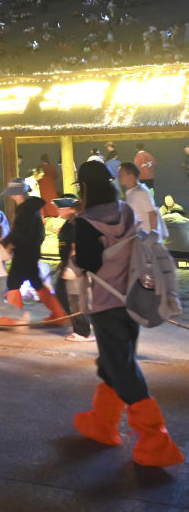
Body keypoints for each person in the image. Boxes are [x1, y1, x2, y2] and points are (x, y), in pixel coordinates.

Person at [71, 160, 183, 467]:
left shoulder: (85, 222)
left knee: (122, 368)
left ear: (85, 188)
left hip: (106, 303)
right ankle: (103, 422)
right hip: (133, 297)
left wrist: (75, 261)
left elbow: (89, 263)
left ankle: (156, 440)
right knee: (112, 363)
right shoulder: (126, 211)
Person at [2, 178, 68, 322]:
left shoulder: (25, 210)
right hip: (32, 252)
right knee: (36, 282)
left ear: (18, 193)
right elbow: (38, 233)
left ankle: (14, 317)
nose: (12, 197)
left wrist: (9, 243)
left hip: (23, 252)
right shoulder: (32, 208)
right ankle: (58, 314)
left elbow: (19, 231)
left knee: (13, 282)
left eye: (13, 193)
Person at [52, 194, 94, 342]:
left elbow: (77, 248)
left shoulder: (76, 224)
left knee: (75, 298)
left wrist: (71, 267)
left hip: (75, 267)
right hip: (68, 265)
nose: (57, 210)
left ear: (69, 208)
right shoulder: (69, 223)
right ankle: (83, 322)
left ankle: (83, 332)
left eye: (60, 208)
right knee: (64, 294)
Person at [117, 162, 167, 239]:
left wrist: (153, 236)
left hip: (146, 237)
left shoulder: (141, 192)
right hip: (139, 236)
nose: (118, 177)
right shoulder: (131, 192)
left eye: (121, 174)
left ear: (131, 177)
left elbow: (152, 214)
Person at [37, 154, 60, 218]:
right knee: (51, 198)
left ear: (41, 160)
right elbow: (56, 176)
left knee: (43, 198)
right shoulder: (51, 167)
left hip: (42, 184)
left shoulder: (39, 167)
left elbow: (36, 176)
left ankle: (45, 213)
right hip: (50, 184)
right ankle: (53, 212)